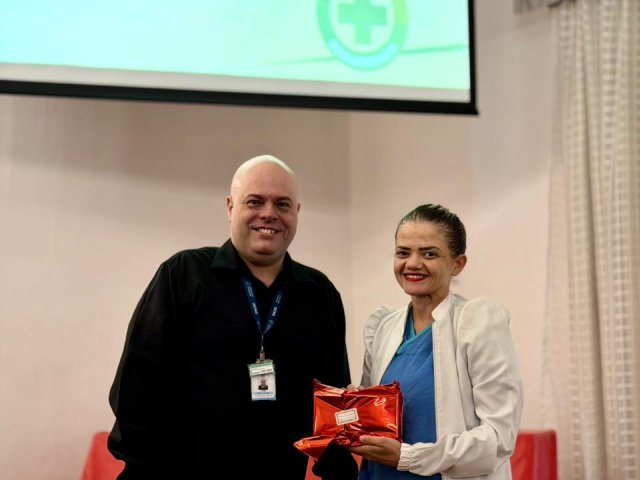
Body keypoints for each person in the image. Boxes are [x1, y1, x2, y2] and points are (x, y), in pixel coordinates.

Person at [107, 154, 351, 479]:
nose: (269, 213)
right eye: (255, 201)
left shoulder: (319, 293)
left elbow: (332, 397)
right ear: (230, 207)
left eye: (282, 204)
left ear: (297, 212)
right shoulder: (184, 275)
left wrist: (338, 471)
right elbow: (136, 385)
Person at [349, 204, 523, 479]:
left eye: (429, 253)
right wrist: (355, 407)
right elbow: (378, 426)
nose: (412, 263)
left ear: (457, 264)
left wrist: (408, 457)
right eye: (403, 253)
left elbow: (497, 440)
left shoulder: (478, 323)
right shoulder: (383, 327)